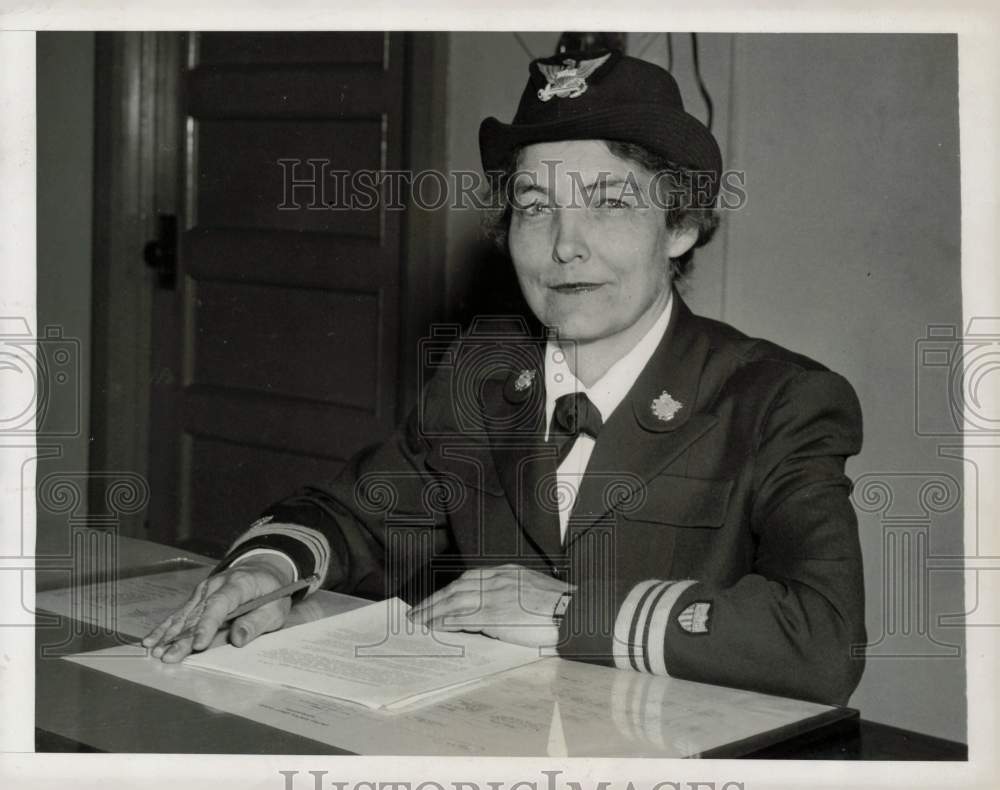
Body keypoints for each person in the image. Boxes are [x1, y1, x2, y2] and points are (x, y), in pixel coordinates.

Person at [144, 49, 866, 706]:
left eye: (609, 203)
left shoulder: (777, 401)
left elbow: (824, 641)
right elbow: (361, 513)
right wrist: (268, 570)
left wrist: (561, 611)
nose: (564, 246)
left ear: (679, 228)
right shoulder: (484, 373)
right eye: (534, 207)